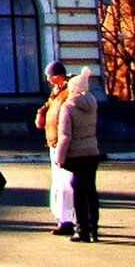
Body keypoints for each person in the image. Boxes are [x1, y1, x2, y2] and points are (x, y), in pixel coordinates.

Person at [55, 67, 101, 243]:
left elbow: (65, 136)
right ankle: (93, 229)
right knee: (91, 190)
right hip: (92, 152)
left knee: (78, 192)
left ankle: (82, 232)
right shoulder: (93, 104)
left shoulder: (68, 107)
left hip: (76, 155)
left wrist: (60, 157)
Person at [35, 59, 74, 236]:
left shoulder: (69, 91)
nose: (48, 79)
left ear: (57, 76)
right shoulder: (56, 91)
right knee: (58, 182)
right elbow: (48, 105)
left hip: (64, 144)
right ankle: (62, 217)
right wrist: (41, 113)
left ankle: (68, 220)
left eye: (49, 76)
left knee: (65, 183)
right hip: (54, 142)